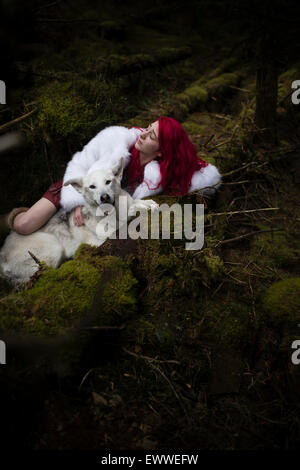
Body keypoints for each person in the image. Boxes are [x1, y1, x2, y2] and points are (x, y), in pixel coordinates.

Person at [0, 116, 221, 235]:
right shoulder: (119, 143)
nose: (143, 134)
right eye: (146, 127)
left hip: (104, 205)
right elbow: (84, 169)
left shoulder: (157, 175)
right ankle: (10, 218)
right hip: (79, 185)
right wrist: (78, 201)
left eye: (151, 135)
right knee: (24, 226)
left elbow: (198, 175)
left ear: (162, 150)